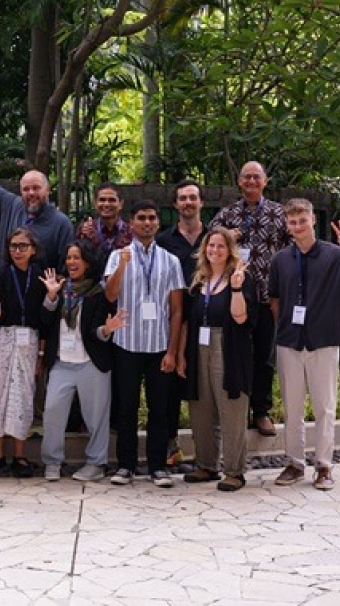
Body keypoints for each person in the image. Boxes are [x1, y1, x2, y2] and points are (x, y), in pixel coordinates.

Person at [270, 200, 340, 491]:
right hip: (289, 342)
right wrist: (284, 329)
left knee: (325, 407)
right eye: (292, 222)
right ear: (286, 225)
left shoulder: (336, 255)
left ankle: (324, 466)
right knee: (292, 408)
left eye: (302, 220)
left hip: (324, 341)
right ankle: (294, 463)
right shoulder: (280, 260)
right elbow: (274, 300)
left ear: (312, 219)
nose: (298, 226)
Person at [103, 200, 185, 488]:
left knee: (159, 409)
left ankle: (157, 466)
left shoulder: (170, 261)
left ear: (158, 223)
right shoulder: (117, 257)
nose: (147, 222)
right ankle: (125, 465)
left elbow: (176, 310)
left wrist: (173, 351)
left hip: (159, 345)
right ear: (132, 222)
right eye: (141, 218)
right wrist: (122, 268)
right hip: (126, 343)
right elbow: (110, 296)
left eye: (152, 217)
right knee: (126, 407)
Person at [209, 161, 290, 437]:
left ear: (265, 181)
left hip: (268, 296)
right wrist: (225, 236)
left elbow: (292, 252)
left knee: (264, 356)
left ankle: (262, 410)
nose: (251, 182)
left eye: (257, 177)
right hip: (235, 297)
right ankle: (237, 408)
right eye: (246, 178)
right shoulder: (227, 214)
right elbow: (208, 244)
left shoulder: (279, 214)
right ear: (239, 182)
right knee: (236, 354)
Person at [39, 241, 126, 482]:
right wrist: (51, 296)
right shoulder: (60, 286)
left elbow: (96, 331)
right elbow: (45, 322)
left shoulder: (97, 292)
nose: (71, 262)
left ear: (87, 262)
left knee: (96, 416)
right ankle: (52, 462)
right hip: (61, 363)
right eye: (69, 258)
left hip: (91, 363)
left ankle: (96, 463)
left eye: (77, 257)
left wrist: (107, 330)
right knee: (52, 412)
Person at [181, 227, 256, 491]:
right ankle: (206, 464)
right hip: (198, 347)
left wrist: (236, 290)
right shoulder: (199, 280)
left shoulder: (240, 278)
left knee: (231, 408)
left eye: (220, 246)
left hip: (228, 347)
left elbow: (241, 318)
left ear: (230, 250)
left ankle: (234, 471)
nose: (215, 251)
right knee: (201, 407)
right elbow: (188, 321)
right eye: (210, 246)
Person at [0, 227, 49, 478]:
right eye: (13, 246)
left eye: (23, 246)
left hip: (28, 340)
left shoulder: (40, 276)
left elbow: (44, 321)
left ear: (33, 249)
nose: (18, 251)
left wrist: (41, 355)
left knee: (23, 394)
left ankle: (20, 455)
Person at [0, 132, 74, 269]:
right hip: (6, 286)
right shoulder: (12, 205)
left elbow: (66, 268)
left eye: (36, 188)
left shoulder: (61, 224)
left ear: (48, 190)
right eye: (26, 189)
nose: (31, 193)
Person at [156, 179, 206, 466]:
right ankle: (171, 446)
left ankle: (206, 449)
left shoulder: (213, 237)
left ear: (201, 203)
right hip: (172, 321)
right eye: (183, 198)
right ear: (175, 205)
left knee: (203, 386)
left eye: (193, 198)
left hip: (207, 322)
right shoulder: (164, 241)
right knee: (170, 386)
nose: (188, 202)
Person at [77, 182, 133, 268]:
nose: (106, 204)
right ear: (95, 204)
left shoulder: (131, 233)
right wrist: (85, 239)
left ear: (121, 204)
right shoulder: (86, 230)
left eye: (112, 200)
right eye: (102, 200)